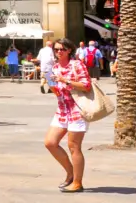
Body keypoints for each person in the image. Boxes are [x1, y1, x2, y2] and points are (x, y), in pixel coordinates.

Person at [45, 38, 92, 194]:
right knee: (50, 143)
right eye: (57, 49)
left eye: (62, 49)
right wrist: (50, 84)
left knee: (74, 146)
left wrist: (66, 80)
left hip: (77, 110)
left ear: (69, 50)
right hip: (62, 110)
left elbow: (86, 86)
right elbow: (57, 91)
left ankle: (77, 182)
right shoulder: (55, 67)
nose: (59, 52)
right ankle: (71, 173)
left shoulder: (77, 65)